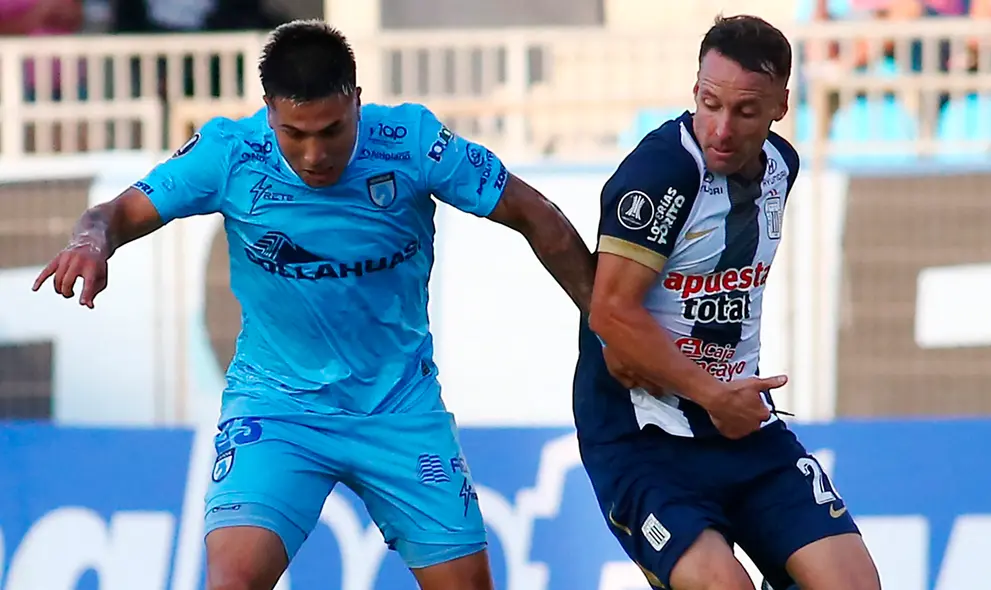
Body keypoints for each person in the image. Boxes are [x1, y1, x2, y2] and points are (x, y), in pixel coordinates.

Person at [32, 20, 595, 590]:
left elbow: (533, 212)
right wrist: (90, 244)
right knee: (232, 581)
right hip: (276, 407)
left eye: (331, 130)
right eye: (294, 133)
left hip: (398, 408)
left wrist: (604, 322)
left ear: (357, 100)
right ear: (269, 111)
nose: (314, 154)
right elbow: (116, 213)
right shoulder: (231, 153)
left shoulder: (413, 143)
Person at [575, 14, 881, 590]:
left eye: (745, 111)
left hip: (741, 427)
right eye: (710, 103)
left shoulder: (782, 168)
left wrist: (725, 393)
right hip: (644, 439)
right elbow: (612, 315)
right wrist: (714, 393)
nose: (721, 128)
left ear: (780, 107)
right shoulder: (660, 172)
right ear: (695, 90)